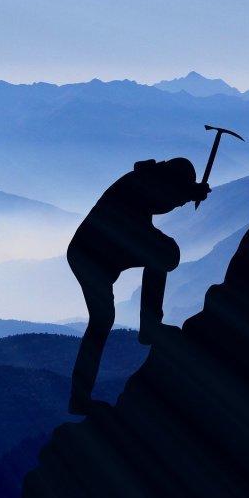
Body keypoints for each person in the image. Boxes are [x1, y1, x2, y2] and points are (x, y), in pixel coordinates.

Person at [67, 158, 210, 415]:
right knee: (102, 321)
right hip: (94, 253)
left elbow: (161, 200)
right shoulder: (143, 184)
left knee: (161, 255)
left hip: (95, 251)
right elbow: (161, 198)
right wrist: (190, 193)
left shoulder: (143, 180)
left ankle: (80, 397)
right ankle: (149, 326)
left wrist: (188, 193)